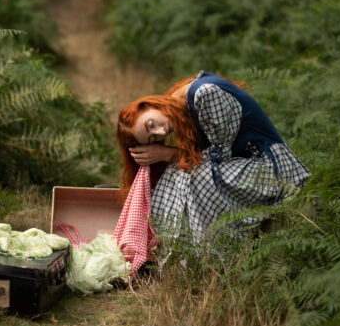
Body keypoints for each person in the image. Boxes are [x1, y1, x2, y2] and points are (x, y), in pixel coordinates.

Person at [116, 71, 310, 239]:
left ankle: (214, 250)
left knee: (195, 176)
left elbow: (219, 156)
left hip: (271, 167)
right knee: (179, 174)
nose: (160, 133)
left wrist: (167, 154)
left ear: (150, 105)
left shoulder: (205, 94)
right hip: (246, 166)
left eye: (151, 124)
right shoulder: (181, 106)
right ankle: (183, 247)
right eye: (153, 138)